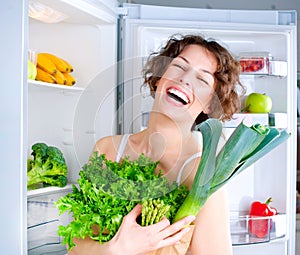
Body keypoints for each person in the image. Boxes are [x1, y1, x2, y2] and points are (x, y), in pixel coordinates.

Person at [69, 34, 244, 255]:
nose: (185, 79)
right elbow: (75, 244)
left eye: (202, 80)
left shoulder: (202, 175)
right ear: (160, 77)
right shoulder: (107, 150)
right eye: (179, 66)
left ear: (210, 104)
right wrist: (117, 249)